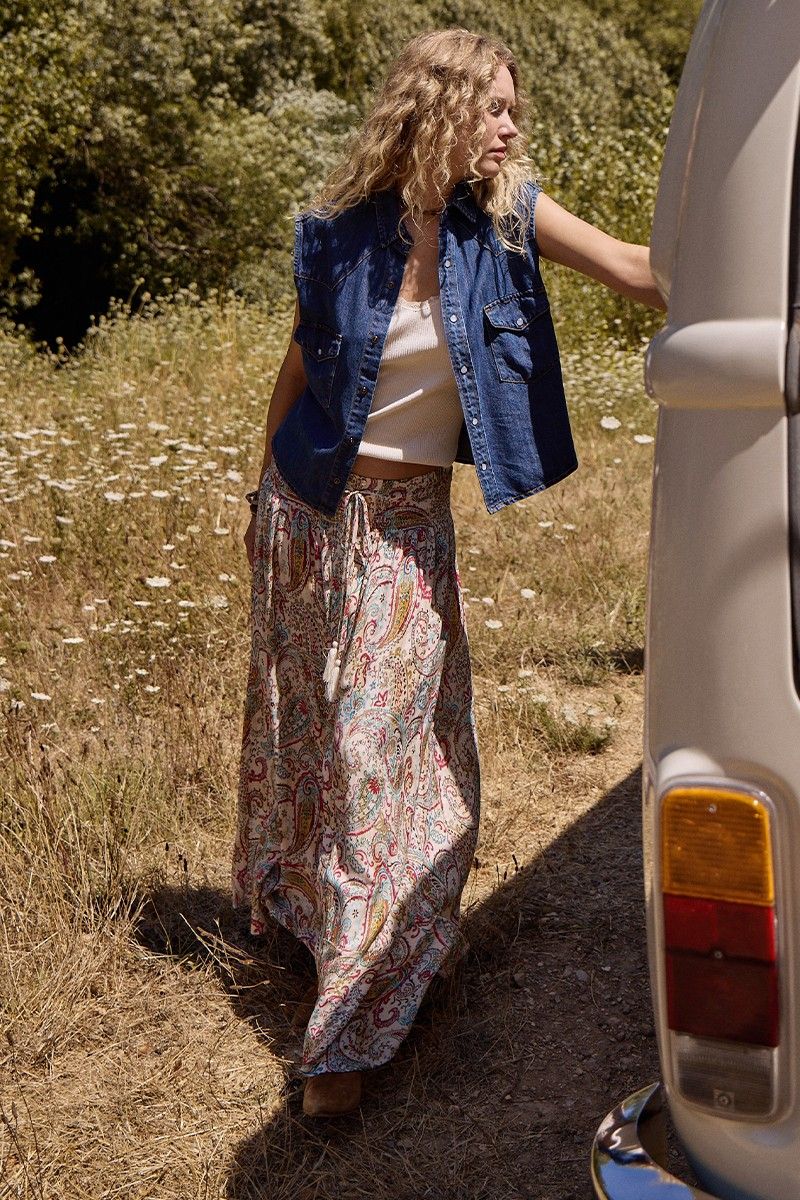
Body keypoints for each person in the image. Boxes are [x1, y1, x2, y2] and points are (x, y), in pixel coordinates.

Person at [231, 27, 665, 1118]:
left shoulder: (508, 218)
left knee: (387, 753)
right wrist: (258, 499)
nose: (512, 127)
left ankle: (347, 1027)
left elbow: (635, 272)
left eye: (514, 108)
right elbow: (301, 365)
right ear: (438, 109)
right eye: (495, 107)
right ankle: (320, 928)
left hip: (408, 530)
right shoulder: (340, 234)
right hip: (310, 513)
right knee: (314, 741)